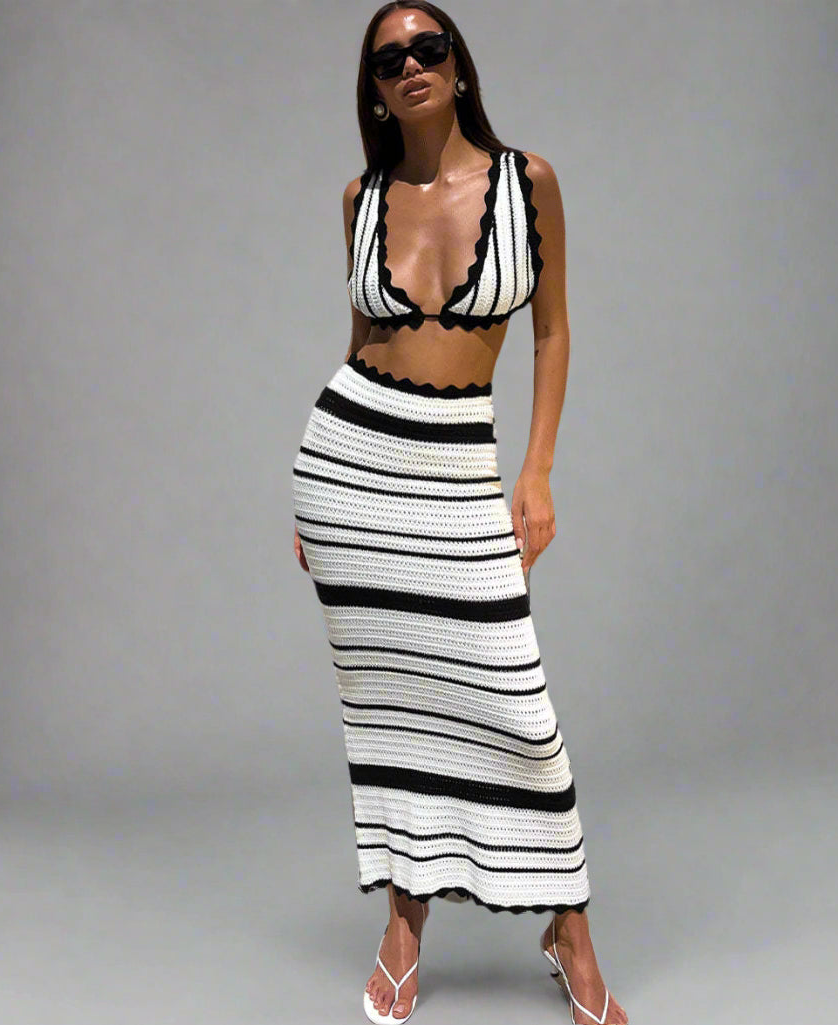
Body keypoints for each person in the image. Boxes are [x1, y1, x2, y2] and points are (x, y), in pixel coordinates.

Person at [291, 4, 628, 1023]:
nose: (411, 66)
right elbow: (360, 340)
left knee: (514, 704)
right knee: (392, 707)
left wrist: (537, 471)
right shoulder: (360, 198)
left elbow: (552, 331)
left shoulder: (530, 182)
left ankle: (569, 930)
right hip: (353, 465)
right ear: (375, 93)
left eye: (428, 47)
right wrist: (319, 498)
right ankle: (402, 925)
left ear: (460, 68)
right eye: (388, 60)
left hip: (457, 460)